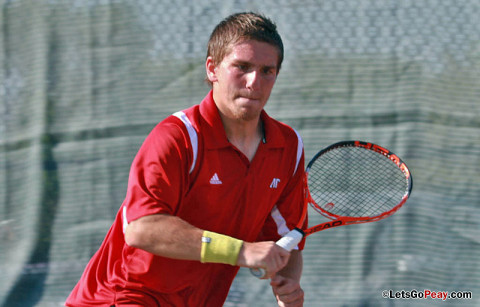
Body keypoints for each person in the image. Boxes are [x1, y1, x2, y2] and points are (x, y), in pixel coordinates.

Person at [66, 12, 307, 307]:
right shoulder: (177, 137)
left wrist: (289, 284)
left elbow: (287, 240)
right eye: (241, 67)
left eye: (267, 71)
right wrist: (240, 250)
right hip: (122, 297)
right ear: (212, 69)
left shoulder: (288, 147)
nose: (254, 81)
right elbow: (142, 228)